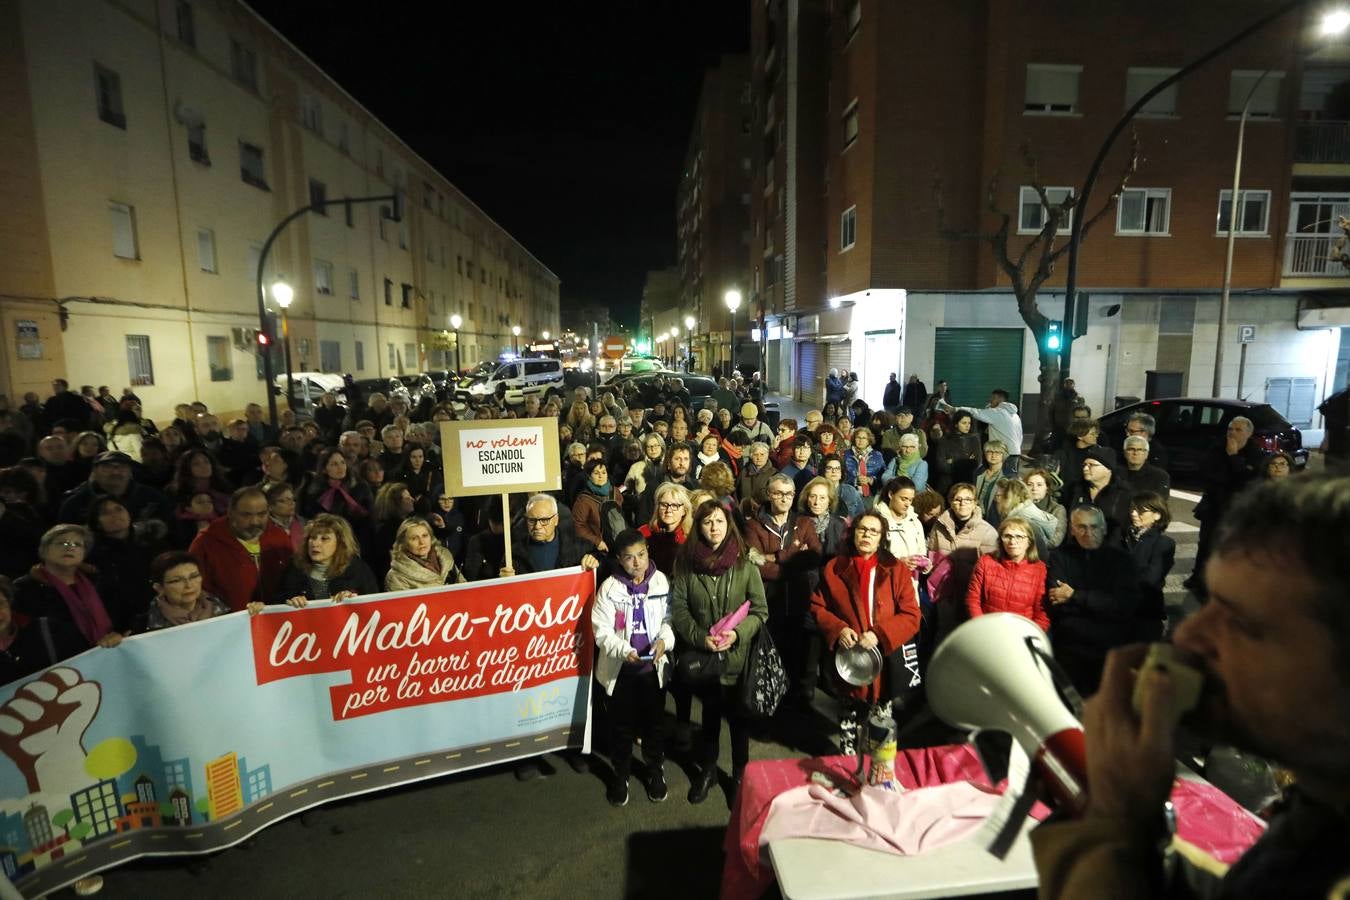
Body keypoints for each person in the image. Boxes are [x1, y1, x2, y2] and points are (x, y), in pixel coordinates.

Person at [1033, 474, 1350, 898]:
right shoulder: (1319, 809)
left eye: (1242, 623)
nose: (1188, 637)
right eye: (1209, 601)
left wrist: (1115, 820)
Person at [671, 500, 768, 804]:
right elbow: (680, 609)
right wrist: (701, 638)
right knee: (710, 718)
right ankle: (709, 770)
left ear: (729, 526)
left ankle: (740, 775)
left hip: (737, 660)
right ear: (698, 526)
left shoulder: (744, 565)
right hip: (705, 659)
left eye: (719, 522)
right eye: (707, 522)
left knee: (739, 724)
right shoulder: (686, 564)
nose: (714, 528)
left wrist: (738, 634)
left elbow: (761, 610)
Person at [810, 512, 921, 754]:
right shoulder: (833, 568)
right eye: (862, 529)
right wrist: (839, 628)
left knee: (882, 720)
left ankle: (879, 774)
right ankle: (847, 765)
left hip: (883, 659)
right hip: (849, 658)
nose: (866, 535)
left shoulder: (896, 569)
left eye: (873, 531)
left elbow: (911, 615)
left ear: (881, 537)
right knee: (848, 716)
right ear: (853, 533)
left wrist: (880, 634)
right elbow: (818, 606)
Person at [593, 530, 674, 807]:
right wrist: (623, 650)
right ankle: (621, 773)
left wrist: (665, 640)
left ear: (647, 551)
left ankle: (655, 770)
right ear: (619, 559)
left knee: (654, 725)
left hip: (652, 671)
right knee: (622, 727)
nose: (637, 563)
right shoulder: (609, 588)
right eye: (629, 558)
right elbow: (601, 631)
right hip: (622, 672)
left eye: (641, 555)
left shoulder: (661, 581)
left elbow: (669, 618)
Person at [1045, 505, 1141, 695]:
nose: (1088, 532)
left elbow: (1123, 605)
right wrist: (1099, 603)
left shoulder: (1122, 561)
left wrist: (1074, 596)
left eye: (1094, 527)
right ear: (1072, 529)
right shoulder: (1060, 557)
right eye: (1081, 527)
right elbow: (1057, 602)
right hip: (1070, 648)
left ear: (1104, 529)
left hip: (1108, 648)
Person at [745, 473, 821, 709]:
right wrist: (793, 560)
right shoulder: (753, 525)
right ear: (769, 494)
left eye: (789, 494)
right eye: (778, 493)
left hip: (799, 600)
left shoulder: (804, 523)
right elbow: (755, 566)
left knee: (797, 654)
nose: (784, 499)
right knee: (771, 654)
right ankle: (771, 701)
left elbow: (814, 555)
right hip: (768, 601)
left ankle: (797, 702)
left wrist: (776, 557)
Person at [13, 524, 127, 665]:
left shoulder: (99, 581)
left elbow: (121, 616)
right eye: (62, 543)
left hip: (107, 658)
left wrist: (117, 634)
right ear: (44, 550)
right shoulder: (23, 588)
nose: (70, 547)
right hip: (56, 668)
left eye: (77, 544)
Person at [1190, 416, 1262, 596]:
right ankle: (1198, 577)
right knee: (1205, 543)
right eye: (1230, 429)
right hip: (1213, 505)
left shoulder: (1254, 453)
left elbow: (1247, 479)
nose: (1233, 433)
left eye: (1238, 430)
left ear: (1249, 433)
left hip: (1236, 509)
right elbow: (1206, 472)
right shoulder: (1216, 447)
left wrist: (1234, 457)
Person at [190, 486, 293, 612]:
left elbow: (292, 581)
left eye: (261, 514)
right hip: (230, 624)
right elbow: (199, 593)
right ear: (231, 512)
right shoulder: (205, 543)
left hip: (278, 622)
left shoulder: (279, 537)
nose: (255, 521)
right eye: (246, 515)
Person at [964, 517, 1049, 630]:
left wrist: (1029, 637)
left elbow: (1042, 613)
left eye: (1019, 536)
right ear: (1001, 540)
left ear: (1029, 541)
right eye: (1007, 536)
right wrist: (982, 628)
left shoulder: (1040, 569)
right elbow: (973, 599)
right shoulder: (986, 562)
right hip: (987, 629)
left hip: (1022, 634)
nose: (1013, 541)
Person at [926, 483, 999, 613]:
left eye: (968, 499)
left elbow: (993, 571)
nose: (962, 503)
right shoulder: (939, 526)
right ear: (951, 502)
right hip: (945, 592)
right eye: (958, 499)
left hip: (973, 597)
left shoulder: (988, 531)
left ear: (975, 502)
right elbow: (932, 553)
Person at [277, 514, 380, 606]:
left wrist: (354, 599)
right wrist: (290, 602)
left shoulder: (357, 569)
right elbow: (276, 602)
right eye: (312, 537)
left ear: (340, 543)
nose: (315, 544)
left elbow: (375, 606)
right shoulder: (295, 568)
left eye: (324, 539)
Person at [58, 450, 171, 527]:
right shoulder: (76, 503)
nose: (115, 472)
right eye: (107, 467)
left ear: (130, 471)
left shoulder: (152, 498)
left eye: (121, 466)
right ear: (95, 472)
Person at [138, 551, 242, 630]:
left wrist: (253, 616)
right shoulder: (144, 625)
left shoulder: (224, 611)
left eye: (194, 576)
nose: (188, 585)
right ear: (159, 588)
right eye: (177, 580)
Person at [1125, 491, 1174, 643]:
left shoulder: (1163, 543)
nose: (1134, 513)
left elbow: (1151, 579)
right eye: (1132, 509)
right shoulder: (1125, 537)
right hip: (1119, 612)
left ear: (1157, 515)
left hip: (1145, 613)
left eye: (1141, 510)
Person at [941, 389, 1024, 476]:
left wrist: (955, 409)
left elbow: (977, 412)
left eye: (993, 398)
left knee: (1005, 481)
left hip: (1004, 454)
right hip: (1015, 453)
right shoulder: (1014, 415)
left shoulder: (997, 412)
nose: (990, 400)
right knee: (1010, 480)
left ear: (1000, 400)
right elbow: (1019, 435)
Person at [1062, 449, 1133, 543]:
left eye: (1091, 465)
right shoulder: (1074, 490)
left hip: (1109, 551)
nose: (1085, 468)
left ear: (1108, 468)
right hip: (1075, 550)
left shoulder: (1124, 494)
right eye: (1084, 465)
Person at [385, 516, 464, 591]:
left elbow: (464, 587)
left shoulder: (446, 559)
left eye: (425, 536)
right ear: (403, 543)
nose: (422, 542)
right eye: (414, 538)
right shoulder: (396, 576)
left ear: (431, 537)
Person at [993, 478, 1060, 558]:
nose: (996, 500)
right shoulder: (1027, 512)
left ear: (1009, 498)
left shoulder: (1021, 521)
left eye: (998, 496)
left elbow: (1038, 552)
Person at [572, 458, 620, 552]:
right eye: (596, 473)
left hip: (617, 543)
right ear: (589, 476)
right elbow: (577, 526)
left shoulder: (615, 492)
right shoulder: (583, 500)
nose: (601, 476)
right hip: (598, 548)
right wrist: (597, 541)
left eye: (604, 472)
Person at [930, 409, 981, 497]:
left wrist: (953, 462)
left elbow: (977, 462)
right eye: (964, 423)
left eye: (969, 423)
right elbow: (941, 465)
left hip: (967, 483)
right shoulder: (944, 441)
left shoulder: (974, 439)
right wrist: (966, 462)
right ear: (956, 424)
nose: (967, 426)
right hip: (948, 485)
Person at [1024, 468, 1068, 549]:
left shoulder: (1057, 509)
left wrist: (1024, 543)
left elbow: (1055, 540)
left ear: (1047, 488)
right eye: (1030, 484)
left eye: (1039, 485)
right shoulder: (1020, 507)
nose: (1034, 488)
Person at [1119, 435, 1170, 501]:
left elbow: (1159, 502)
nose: (1135, 453)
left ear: (1146, 454)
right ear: (1125, 453)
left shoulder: (1160, 476)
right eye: (1131, 449)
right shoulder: (1115, 473)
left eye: (1140, 450)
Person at [264, 480, 306, 554]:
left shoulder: (304, 524)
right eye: (283, 501)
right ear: (270, 506)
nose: (291, 503)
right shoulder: (263, 528)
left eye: (292, 499)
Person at [972, 440, 1010, 521]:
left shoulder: (1009, 476)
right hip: (977, 516)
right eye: (990, 452)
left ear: (1004, 455)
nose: (993, 455)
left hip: (997, 519)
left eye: (997, 452)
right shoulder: (978, 473)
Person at [820, 455, 864, 520]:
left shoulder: (851, 491)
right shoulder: (816, 490)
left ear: (841, 473)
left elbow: (861, 516)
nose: (834, 471)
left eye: (837, 468)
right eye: (829, 468)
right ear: (823, 471)